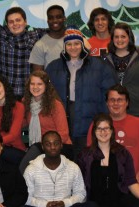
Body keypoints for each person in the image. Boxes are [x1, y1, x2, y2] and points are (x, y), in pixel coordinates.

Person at [45, 25, 117, 160]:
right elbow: (46, 94)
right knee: (65, 158)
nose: (73, 47)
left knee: (87, 158)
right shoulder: (53, 67)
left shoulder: (99, 66)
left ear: (82, 44)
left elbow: (109, 95)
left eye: (77, 43)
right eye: (69, 44)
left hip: (89, 119)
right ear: (64, 46)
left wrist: (103, 119)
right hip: (62, 119)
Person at [20, 131, 96, 207]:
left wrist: (65, 203)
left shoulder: (73, 167)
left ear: (61, 145)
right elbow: (26, 197)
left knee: (92, 206)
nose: (53, 147)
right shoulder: (31, 169)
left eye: (56, 143)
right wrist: (45, 205)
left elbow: (81, 194)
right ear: (42, 147)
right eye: (48, 144)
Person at [77, 113, 139, 207]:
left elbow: (131, 182)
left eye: (106, 128)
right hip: (93, 204)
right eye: (99, 128)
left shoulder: (123, 153)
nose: (103, 132)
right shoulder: (84, 155)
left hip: (119, 201)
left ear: (112, 130)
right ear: (94, 131)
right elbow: (78, 184)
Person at [19, 70, 72, 173]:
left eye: (39, 84)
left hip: (59, 145)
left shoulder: (55, 105)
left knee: (24, 168)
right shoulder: (26, 102)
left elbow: (64, 134)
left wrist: (45, 145)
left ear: (46, 86)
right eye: (32, 83)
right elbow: (22, 123)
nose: (35, 87)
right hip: (38, 146)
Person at [87, 84, 139, 181]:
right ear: (107, 103)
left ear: (127, 102)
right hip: (105, 182)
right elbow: (90, 155)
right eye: (112, 100)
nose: (116, 103)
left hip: (134, 182)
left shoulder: (137, 124)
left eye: (120, 100)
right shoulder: (97, 124)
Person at [103, 22, 139, 117]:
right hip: (111, 113)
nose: (119, 40)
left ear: (129, 38)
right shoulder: (105, 60)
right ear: (112, 39)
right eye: (116, 37)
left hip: (136, 110)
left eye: (123, 36)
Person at [29, 5, 66, 71]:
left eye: (58, 17)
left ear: (64, 18)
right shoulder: (40, 45)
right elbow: (38, 76)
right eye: (51, 18)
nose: (55, 20)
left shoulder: (75, 40)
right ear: (47, 20)